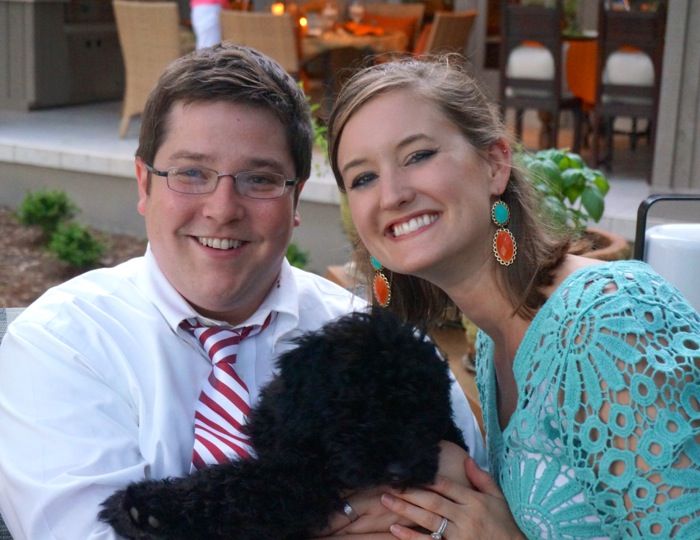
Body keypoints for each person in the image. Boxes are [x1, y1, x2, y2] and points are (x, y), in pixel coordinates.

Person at [0, 43, 486, 539]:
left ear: (296, 200)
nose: (222, 208)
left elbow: (459, 504)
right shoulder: (61, 343)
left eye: (260, 179)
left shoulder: (377, 351)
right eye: (191, 173)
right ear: (144, 185)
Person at [326, 54, 700, 539]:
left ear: (495, 164)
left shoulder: (607, 319)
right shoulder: (494, 344)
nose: (391, 194)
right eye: (363, 178)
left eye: (418, 156)